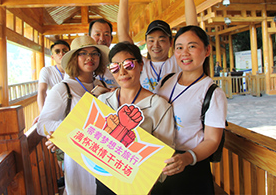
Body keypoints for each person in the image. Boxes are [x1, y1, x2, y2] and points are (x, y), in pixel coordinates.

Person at [95, 41, 176, 195]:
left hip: (137, 184)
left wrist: (149, 183)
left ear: (140, 65)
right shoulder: (103, 101)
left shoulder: (158, 105)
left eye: (128, 65)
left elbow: (164, 152)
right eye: (115, 67)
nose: (122, 72)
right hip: (104, 179)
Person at [155, 26, 227, 194]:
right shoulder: (166, 81)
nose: (184, 53)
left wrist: (187, 158)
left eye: (192, 46)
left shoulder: (212, 92)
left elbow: (212, 140)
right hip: (160, 163)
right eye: (179, 47)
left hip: (191, 169)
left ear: (207, 50)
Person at [38, 35, 110, 195]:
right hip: (78, 158)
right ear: (73, 59)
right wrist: (76, 129)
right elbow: (42, 124)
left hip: (104, 158)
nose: (90, 57)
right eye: (83, 53)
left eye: (94, 53)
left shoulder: (102, 85)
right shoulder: (63, 89)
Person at [117, 0, 198, 92]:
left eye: (161, 40)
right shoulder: (140, 64)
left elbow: (193, 32)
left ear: (171, 43)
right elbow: (123, 35)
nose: (156, 45)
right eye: (151, 40)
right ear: (146, 42)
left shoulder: (177, 62)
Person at [37, 40, 70, 111]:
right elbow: (42, 91)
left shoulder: (75, 71)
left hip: (72, 108)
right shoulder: (46, 71)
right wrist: (42, 113)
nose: (61, 53)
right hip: (54, 108)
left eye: (65, 51)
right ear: (52, 57)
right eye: (57, 52)